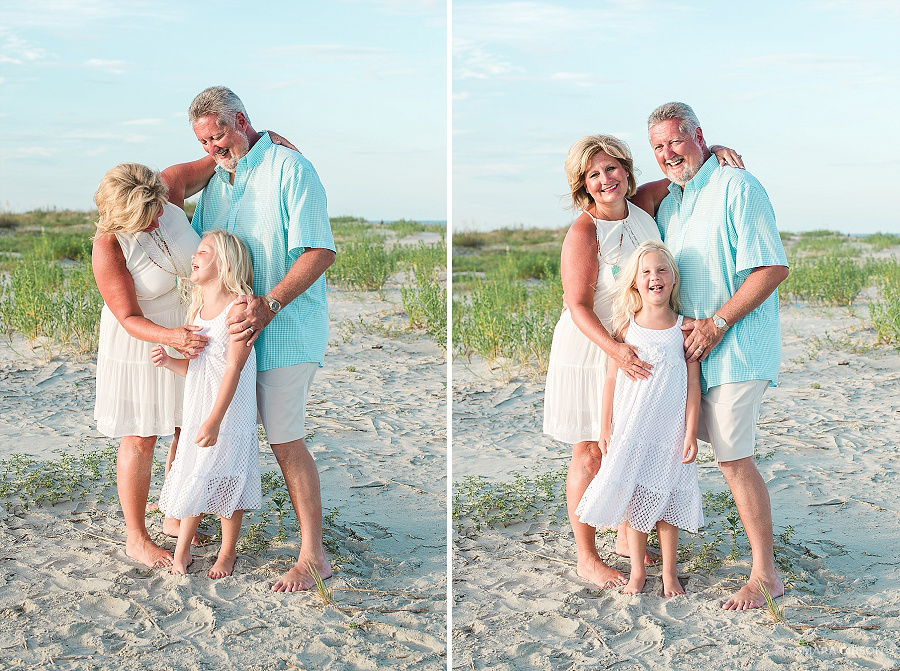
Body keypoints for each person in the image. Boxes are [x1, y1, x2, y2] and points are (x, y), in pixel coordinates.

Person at [542, 135, 742, 589]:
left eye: (612, 169)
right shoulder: (584, 230)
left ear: (626, 171)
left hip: (641, 344)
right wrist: (616, 350)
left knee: (633, 440)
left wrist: (716, 152)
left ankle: (622, 535)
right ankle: (586, 556)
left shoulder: (646, 202)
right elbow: (577, 305)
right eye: (594, 174)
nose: (605, 179)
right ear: (583, 185)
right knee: (592, 448)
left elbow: (684, 166)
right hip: (593, 347)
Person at [187, 86, 336, 591]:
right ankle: (194, 520)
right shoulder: (213, 183)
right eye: (205, 142)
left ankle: (313, 555)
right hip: (227, 338)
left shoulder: (292, 170)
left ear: (243, 120)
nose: (215, 148)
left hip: (285, 329)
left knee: (283, 438)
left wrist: (270, 305)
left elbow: (319, 251)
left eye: (220, 135)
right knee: (214, 432)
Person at [648, 101, 789, 610]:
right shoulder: (670, 203)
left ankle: (765, 576)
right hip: (687, 356)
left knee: (732, 459)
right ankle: (642, 549)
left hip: (735, 348)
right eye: (658, 147)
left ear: (700, 135)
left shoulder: (739, 187)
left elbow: (771, 267)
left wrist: (717, 324)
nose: (668, 154)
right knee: (669, 449)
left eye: (676, 141)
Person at [93, 160, 215, 568]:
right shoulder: (109, 245)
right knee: (142, 436)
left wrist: (264, 139)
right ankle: (136, 537)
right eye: (147, 218)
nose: (160, 217)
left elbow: (219, 159)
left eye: (160, 207)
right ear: (122, 218)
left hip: (189, 326)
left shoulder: (167, 190)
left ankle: (175, 512)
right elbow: (127, 317)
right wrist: (171, 337)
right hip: (141, 340)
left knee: (189, 423)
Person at [576, 241, 703, 597]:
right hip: (631, 430)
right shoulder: (625, 329)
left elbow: (694, 386)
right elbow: (611, 382)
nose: (654, 278)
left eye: (662, 270)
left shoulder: (685, 330)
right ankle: (637, 573)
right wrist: (605, 431)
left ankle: (668, 573)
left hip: (670, 432)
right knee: (635, 498)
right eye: (646, 272)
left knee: (665, 499)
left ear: (674, 279)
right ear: (634, 282)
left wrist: (691, 433)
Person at [151, 230, 261, 578]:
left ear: (225, 262)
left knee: (228, 477)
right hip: (200, 408)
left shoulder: (239, 307)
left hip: (227, 411)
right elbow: (200, 368)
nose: (194, 257)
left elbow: (233, 367)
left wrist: (215, 420)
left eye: (202, 252)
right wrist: (170, 361)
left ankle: (227, 553)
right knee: (195, 476)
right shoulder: (198, 309)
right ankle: (181, 552)